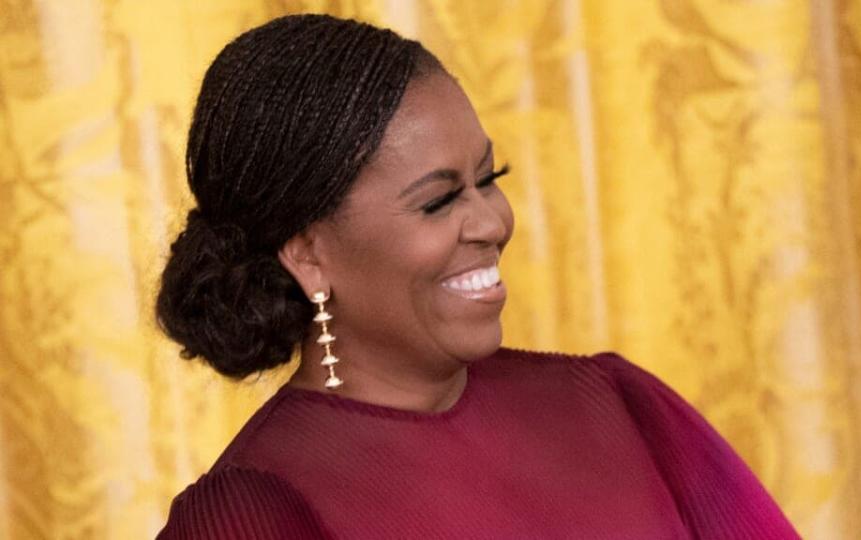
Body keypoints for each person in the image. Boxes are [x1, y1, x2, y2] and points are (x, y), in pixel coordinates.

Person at [155, 14, 799, 539]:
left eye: (488, 181)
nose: (492, 221)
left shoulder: (617, 404)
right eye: (438, 201)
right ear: (309, 254)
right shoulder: (256, 513)